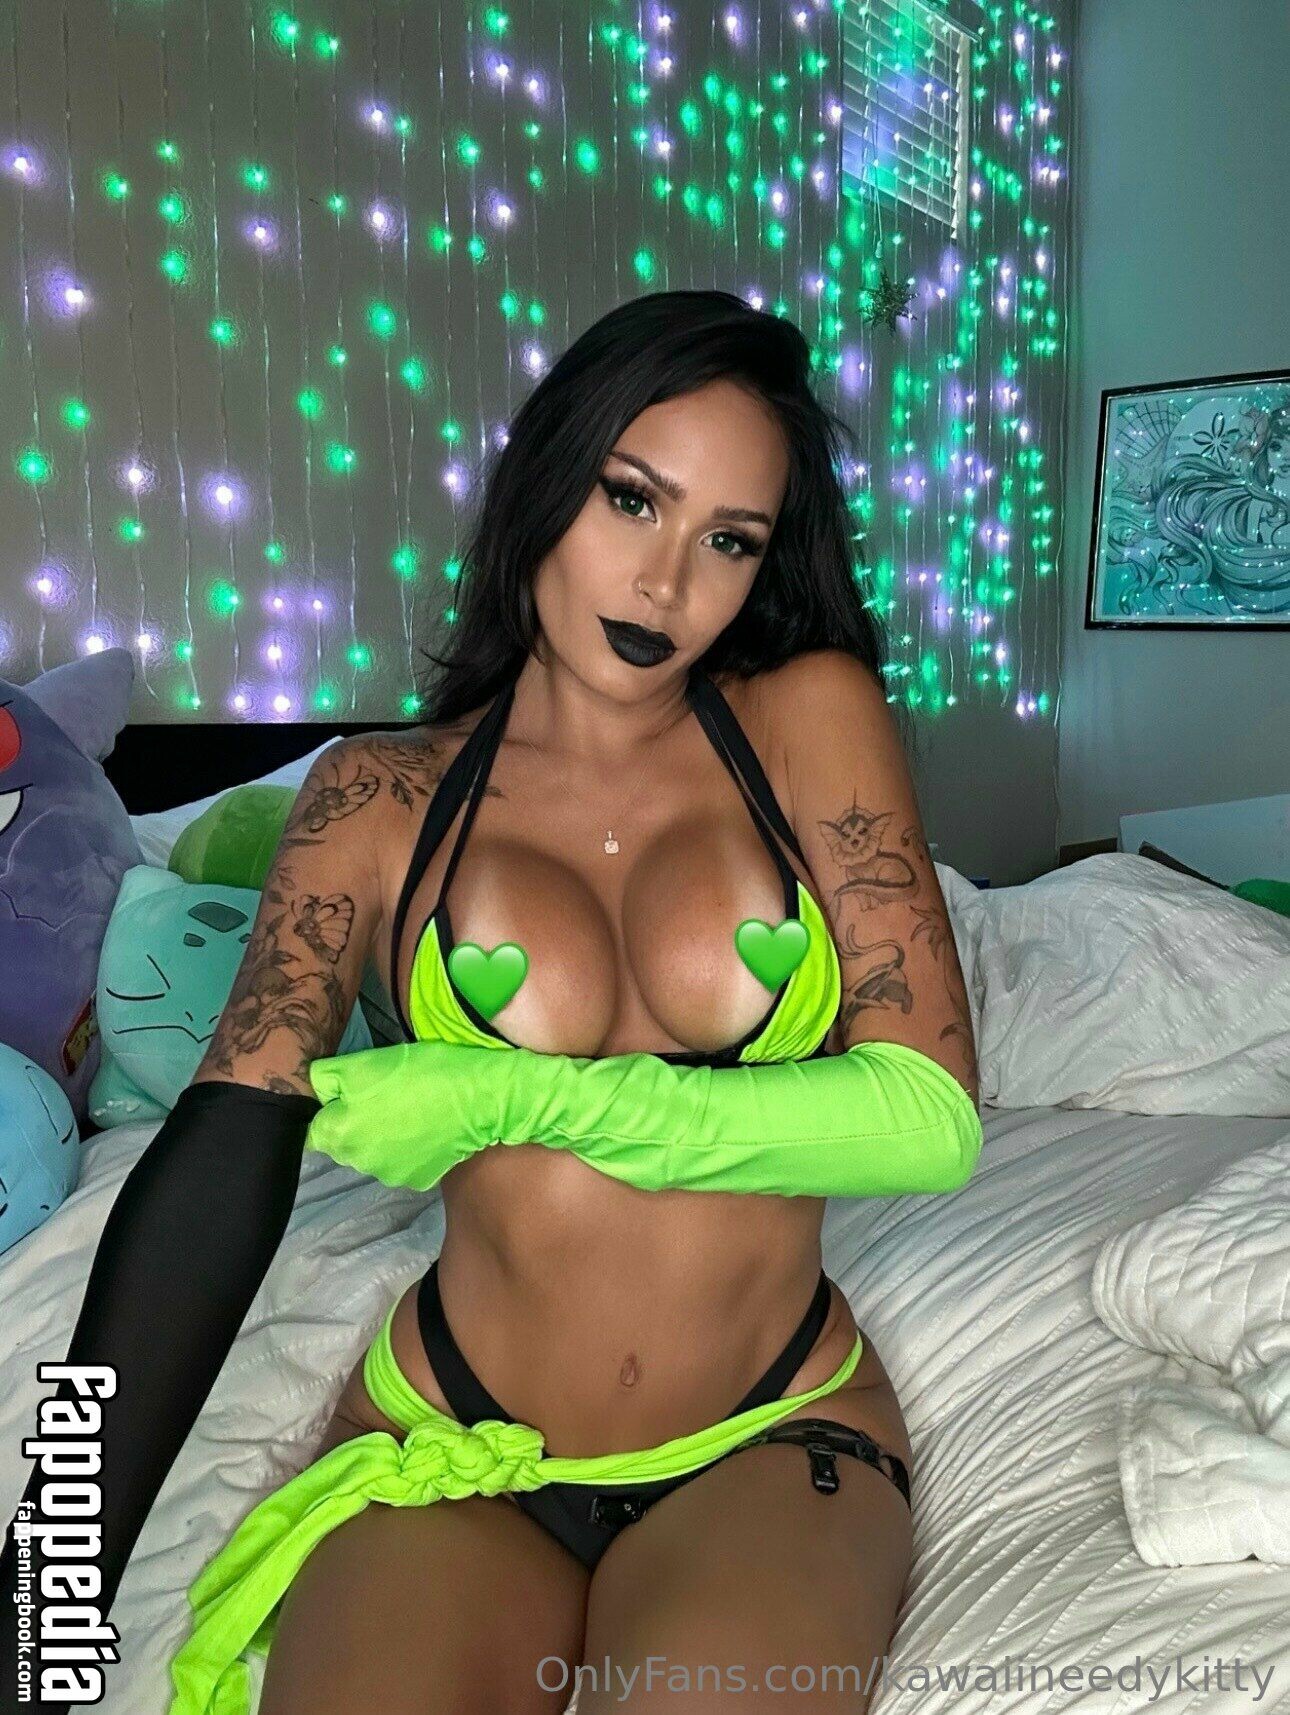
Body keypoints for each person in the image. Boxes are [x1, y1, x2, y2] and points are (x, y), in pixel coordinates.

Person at [0, 289, 981, 1715]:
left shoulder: (805, 716)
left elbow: (927, 1118)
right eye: (632, 500)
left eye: (729, 540)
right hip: (455, 1437)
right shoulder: (374, 799)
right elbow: (216, 1164)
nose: (666, 584)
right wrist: (45, 1594)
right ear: (546, 478)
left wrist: (515, 1095)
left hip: (765, 1424)